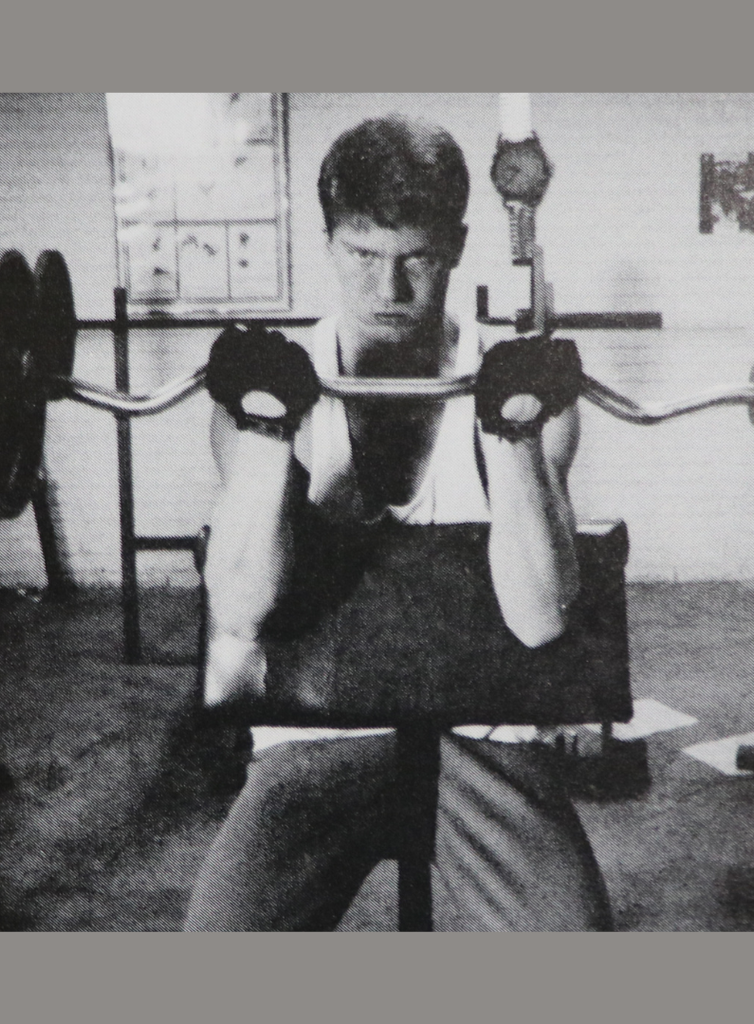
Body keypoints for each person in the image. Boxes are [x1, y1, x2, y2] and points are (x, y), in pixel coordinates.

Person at [183, 115, 611, 931]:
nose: (389, 289)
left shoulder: (518, 385)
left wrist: (513, 433)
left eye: (416, 258)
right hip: (313, 741)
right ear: (328, 243)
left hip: (486, 739)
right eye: (362, 255)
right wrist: (269, 428)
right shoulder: (274, 387)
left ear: (456, 246)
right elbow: (238, 607)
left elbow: (538, 617)